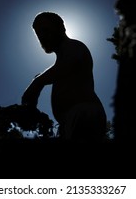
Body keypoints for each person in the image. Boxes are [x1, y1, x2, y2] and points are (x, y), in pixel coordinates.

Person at [21, 11, 107, 143]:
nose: (42, 36)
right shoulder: (61, 60)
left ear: (61, 28)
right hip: (71, 123)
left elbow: (67, 65)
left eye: (45, 30)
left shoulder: (74, 45)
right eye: (39, 34)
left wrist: (37, 82)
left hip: (83, 115)